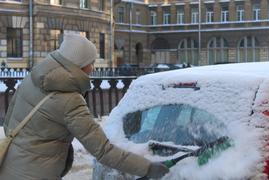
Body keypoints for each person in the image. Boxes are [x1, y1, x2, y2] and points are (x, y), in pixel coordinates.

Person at [0, 34, 169, 179]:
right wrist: (147, 168)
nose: (93, 67)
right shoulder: (70, 100)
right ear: (78, 64)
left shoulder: (32, 78)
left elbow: (9, 124)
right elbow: (103, 151)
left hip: (9, 168)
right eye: (91, 62)